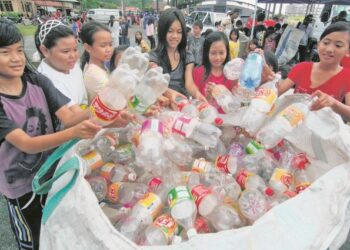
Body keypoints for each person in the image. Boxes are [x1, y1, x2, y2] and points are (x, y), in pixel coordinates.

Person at [0, 18, 102, 250]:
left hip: (51, 171)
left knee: (57, 228)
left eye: (19, 50)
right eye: (5, 52)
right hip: (20, 186)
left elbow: (69, 117)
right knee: (32, 239)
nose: (16, 58)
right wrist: (73, 133)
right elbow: (26, 143)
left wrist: (105, 109)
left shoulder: (36, 80)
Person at [277, 22, 350, 120]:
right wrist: (266, 79)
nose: (329, 49)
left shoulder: (347, 77)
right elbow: (276, 92)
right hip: (291, 125)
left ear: (348, 51)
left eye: (338, 45)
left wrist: (334, 103)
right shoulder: (301, 68)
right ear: (319, 44)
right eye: (326, 43)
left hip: (322, 131)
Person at [148, 7, 206, 107]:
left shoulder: (187, 56)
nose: (175, 36)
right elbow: (155, 81)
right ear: (162, 31)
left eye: (179, 32)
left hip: (182, 105)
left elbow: (189, 83)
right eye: (170, 31)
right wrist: (168, 93)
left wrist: (198, 95)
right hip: (162, 107)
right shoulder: (153, 56)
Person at [34, 20, 88, 113]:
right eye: (65, 51)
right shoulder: (47, 79)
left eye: (75, 49)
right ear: (45, 51)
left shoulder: (71, 65)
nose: (73, 56)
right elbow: (74, 114)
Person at [192, 32, 234, 109]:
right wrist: (208, 97)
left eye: (221, 53)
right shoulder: (198, 71)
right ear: (207, 53)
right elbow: (196, 102)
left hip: (226, 119)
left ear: (227, 52)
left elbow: (234, 102)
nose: (217, 57)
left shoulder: (231, 73)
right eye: (213, 53)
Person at [81, 21, 113, 104]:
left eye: (110, 44)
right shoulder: (96, 75)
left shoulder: (99, 66)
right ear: (88, 47)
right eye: (103, 45)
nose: (109, 49)